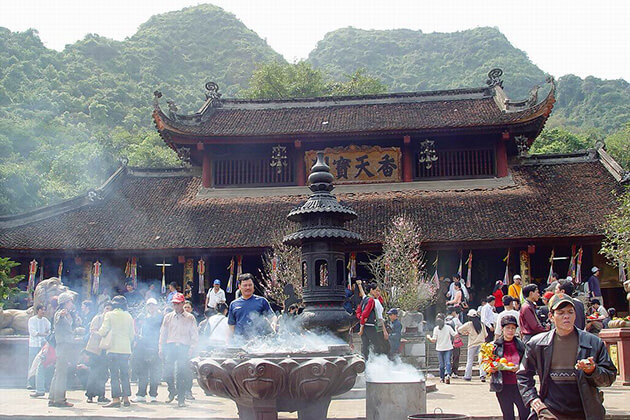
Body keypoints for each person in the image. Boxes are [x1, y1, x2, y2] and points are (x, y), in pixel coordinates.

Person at [517, 294, 617, 419]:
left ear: (575, 315)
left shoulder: (593, 343)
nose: (566, 316)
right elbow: (523, 375)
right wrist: (532, 399)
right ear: (551, 317)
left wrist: (593, 370)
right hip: (551, 412)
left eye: (570, 312)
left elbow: (609, 377)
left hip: (585, 411)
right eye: (560, 312)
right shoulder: (537, 344)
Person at [159, 292, 199, 407]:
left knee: (181, 374)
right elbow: (163, 334)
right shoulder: (168, 317)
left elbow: (194, 335)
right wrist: (161, 348)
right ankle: (172, 391)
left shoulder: (190, 318)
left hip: (183, 347)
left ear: (182, 303)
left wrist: (191, 349)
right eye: (174, 304)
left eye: (177, 304)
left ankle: (181, 399)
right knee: (167, 372)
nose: (175, 306)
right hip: (170, 346)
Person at [488, 315, 528, 420]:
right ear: (502, 329)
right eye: (508, 328)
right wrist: (492, 368)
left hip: (520, 385)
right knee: (508, 415)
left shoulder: (521, 345)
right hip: (503, 386)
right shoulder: (494, 347)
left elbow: (528, 363)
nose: (510, 331)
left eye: (513, 328)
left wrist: (520, 368)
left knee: (525, 413)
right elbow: (488, 364)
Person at [98, 295, 135, 408]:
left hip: (113, 348)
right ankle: (126, 398)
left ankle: (115, 399)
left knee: (114, 375)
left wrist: (98, 332)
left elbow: (103, 331)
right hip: (125, 349)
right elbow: (131, 335)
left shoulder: (109, 315)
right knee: (124, 374)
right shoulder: (129, 316)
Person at [132, 298, 163, 403]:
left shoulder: (161, 318)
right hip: (143, 347)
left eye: (153, 305)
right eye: (149, 305)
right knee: (143, 372)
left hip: (155, 347)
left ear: (156, 306)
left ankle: (153, 395)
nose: (151, 307)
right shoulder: (143, 318)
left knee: (155, 372)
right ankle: (141, 394)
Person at [228, 273, 275, 341]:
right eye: (245, 285)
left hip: (258, 341)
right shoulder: (234, 304)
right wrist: (230, 341)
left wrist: (273, 324)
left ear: (253, 286)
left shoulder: (261, 301)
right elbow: (231, 326)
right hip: (239, 341)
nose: (248, 287)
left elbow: (272, 316)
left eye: (250, 285)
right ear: (239, 287)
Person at [84, 300, 112, 403]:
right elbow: (92, 331)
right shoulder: (98, 318)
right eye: (107, 308)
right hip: (95, 350)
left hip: (105, 350)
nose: (108, 311)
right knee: (94, 373)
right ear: (104, 309)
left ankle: (101, 395)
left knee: (103, 374)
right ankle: (90, 396)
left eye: (110, 309)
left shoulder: (111, 320)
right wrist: (102, 334)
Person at [357, 282, 387, 359]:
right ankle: (378, 364)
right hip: (373, 327)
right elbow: (379, 318)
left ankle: (366, 365)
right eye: (376, 290)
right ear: (371, 290)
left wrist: (362, 323)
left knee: (365, 347)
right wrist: (384, 331)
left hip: (365, 327)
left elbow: (359, 312)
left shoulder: (365, 299)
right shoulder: (373, 301)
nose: (378, 293)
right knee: (378, 346)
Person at [458, 309, 488, 382]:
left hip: (472, 344)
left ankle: (467, 376)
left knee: (470, 361)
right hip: (481, 344)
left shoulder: (468, 324)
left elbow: (459, 330)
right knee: (481, 360)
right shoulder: (482, 324)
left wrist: (465, 333)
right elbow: (486, 335)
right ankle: (482, 376)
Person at [27, 304, 50, 393]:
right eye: (42, 310)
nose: (43, 311)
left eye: (44, 310)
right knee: (32, 364)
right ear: (38, 311)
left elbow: (49, 330)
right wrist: (43, 333)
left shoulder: (45, 321)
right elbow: (33, 333)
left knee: (41, 365)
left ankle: (41, 384)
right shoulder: (32, 320)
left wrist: (44, 334)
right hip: (33, 344)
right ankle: (30, 383)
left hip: (42, 345)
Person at [427, 315, 457, 384]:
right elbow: (455, 335)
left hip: (440, 348)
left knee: (441, 364)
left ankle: (442, 377)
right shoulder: (448, 327)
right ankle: (447, 374)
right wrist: (456, 329)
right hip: (447, 347)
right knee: (448, 362)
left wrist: (428, 337)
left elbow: (434, 340)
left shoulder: (436, 329)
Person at [445, 306, 463, 377]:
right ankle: (454, 372)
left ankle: (447, 371)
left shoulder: (444, 320)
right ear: (453, 312)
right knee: (456, 356)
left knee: (447, 356)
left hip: (446, 340)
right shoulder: (455, 319)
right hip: (455, 340)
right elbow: (461, 327)